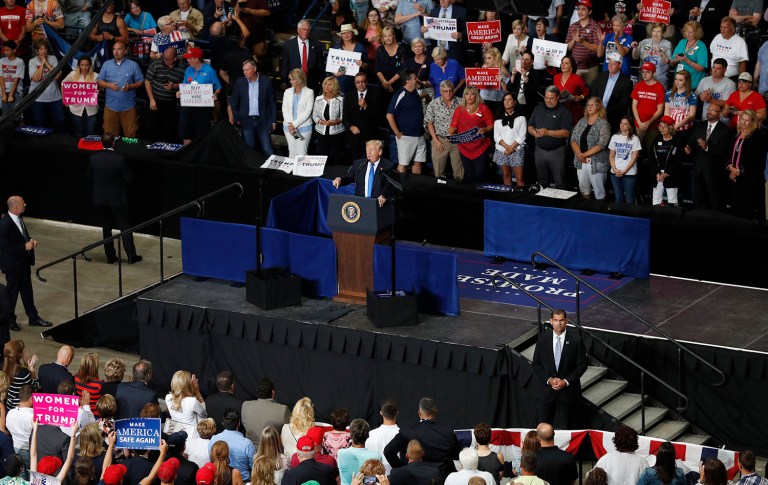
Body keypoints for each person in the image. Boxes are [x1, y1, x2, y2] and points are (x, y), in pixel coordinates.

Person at [87, 132, 142, 265]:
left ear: (101, 143)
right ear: (113, 143)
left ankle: (110, 257)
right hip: (118, 198)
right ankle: (131, 255)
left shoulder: (93, 158)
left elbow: (89, 177)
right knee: (125, 226)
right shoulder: (119, 159)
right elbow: (128, 179)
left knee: (106, 227)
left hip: (100, 199)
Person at [0, 198, 52, 330]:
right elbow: (5, 247)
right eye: (23, 203)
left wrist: (30, 241)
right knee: (12, 294)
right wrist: (24, 247)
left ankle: (33, 317)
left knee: (27, 292)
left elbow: (23, 236)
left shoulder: (19, 218)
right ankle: (9, 320)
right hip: (13, 266)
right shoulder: (5, 223)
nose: (25, 205)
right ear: (16, 207)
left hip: (23, 264)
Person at [383, 397, 461, 482]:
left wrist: (402, 468)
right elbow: (457, 455)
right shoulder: (448, 432)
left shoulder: (407, 432)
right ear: (436, 411)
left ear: (419, 413)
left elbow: (388, 451)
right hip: (441, 480)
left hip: (413, 479)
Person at [531, 310, 586, 427]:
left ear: (566, 321)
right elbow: (536, 363)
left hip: (568, 395)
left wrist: (565, 382)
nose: (559, 323)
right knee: (543, 429)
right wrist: (549, 380)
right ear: (551, 322)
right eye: (556, 320)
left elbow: (582, 365)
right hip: (546, 393)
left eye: (561, 320)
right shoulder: (543, 339)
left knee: (567, 429)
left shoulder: (576, 340)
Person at [685, 103, 732, 211]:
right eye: (708, 109)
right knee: (699, 201)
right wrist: (689, 148)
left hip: (715, 172)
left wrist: (707, 148)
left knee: (715, 202)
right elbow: (691, 140)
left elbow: (724, 152)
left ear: (719, 114)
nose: (709, 112)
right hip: (699, 169)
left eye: (713, 110)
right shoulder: (700, 125)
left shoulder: (725, 131)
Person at [527, 86, 573, 190]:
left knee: (560, 181)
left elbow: (566, 133)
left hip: (557, 152)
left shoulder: (564, 111)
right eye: (546, 97)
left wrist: (547, 132)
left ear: (558, 97)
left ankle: (560, 205)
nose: (548, 100)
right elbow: (530, 126)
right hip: (539, 150)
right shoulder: (538, 108)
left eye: (551, 98)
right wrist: (534, 132)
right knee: (541, 181)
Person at [229, 58, 276, 155]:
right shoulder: (240, 82)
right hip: (247, 121)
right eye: (243, 70)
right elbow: (233, 101)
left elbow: (272, 102)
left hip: (263, 120)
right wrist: (237, 117)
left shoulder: (266, 82)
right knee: (250, 149)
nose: (244, 72)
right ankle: (254, 169)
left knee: (267, 148)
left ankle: (272, 169)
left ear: (254, 69)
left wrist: (273, 120)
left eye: (247, 69)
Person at [97, 41, 144, 138]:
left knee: (131, 136)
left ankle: (129, 153)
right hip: (110, 107)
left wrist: (130, 86)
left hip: (128, 107)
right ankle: (111, 153)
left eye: (119, 49)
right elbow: (99, 81)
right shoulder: (106, 64)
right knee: (109, 136)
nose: (116, 52)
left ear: (125, 51)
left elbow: (141, 81)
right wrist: (109, 85)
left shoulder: (133, 65)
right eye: (114, 49)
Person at [448, 86, 493, 184]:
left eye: (472, 94)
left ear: (476, 96)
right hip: (464, 147)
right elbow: (453, 126)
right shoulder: (459, 109)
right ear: (464, 96)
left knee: (480, 173)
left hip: (481, 146)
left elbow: (491, 125)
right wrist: (449, 135)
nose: (469, 96)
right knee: (469, 174)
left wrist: (484, 129)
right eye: (467, 94)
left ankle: (483, 195)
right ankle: (472, 196)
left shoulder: (484, 108)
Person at [727, 109, 767, 220]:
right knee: (736, 206)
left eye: (747, 120)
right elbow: (728, 152)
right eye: (742, 120)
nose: (744, 123)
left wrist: (737, 171)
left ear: (753, 121)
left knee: (746, 208)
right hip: (734, 175)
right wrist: (730, 167)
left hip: (749, 177)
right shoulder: (736, 133)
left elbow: (753, 158)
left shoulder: (757, 136)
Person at [177, 47, 221, 145]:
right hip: (188, 106)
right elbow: (184, 86)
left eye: (189, 58)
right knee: (186, 132)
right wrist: (180, 92)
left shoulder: (209, 71)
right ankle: (185, 155)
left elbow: (218, 87)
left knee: (201, 133)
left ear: (196, 59)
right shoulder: (188, 69)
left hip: (202, 107)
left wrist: (215, 94)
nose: (187, 60)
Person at [333, 139, 396, 206]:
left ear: (379, 152)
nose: (368, 153)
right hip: (360, 204)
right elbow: (349, 176)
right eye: (367, 150)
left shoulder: (388, 166)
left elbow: (390, 185)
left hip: (378, 205)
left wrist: (384, 195)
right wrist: (339, 179)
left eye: (371, 150)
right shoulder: (359, 164)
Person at [571, 97, 611, 200]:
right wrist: (579, 154)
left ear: (598, 106)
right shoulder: (582, 121)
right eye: (588, 105)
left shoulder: (603, 123)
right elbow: (573, 139)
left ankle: (600, 212)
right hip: (581, 161)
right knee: (583, 189)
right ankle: (586, 210)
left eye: (592, 105)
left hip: (596, 163)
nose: (589, 107)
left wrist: (584, 155)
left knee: (599, 191)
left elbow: (602, 144)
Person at [387, 70, 427, 174]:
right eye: (414, 78)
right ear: (408, 81)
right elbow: (389, 115)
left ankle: (415, 186)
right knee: (403, 163)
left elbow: (415, 100)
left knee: (418, 162)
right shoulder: (400, 94)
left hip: (420, 134)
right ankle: (400, 187)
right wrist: (397, 133)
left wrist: (426, 96)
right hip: (406, 136)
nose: (417, 80)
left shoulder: (414, 92)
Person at [144, 46, 185, 143]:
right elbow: (147, 81)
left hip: (170, 103)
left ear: (175, 58)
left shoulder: (182, 69)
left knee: (168, 130)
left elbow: (185, 85)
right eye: (164, 57)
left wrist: (174, 86)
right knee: (151, 127)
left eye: (168, 59)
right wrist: (151, 100)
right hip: (155, 100)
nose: (164, 60)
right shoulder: (156, 64)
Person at [425, 80, 463, 180]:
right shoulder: (434, 104)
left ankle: (459, 192)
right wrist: (436, 140)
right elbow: (429, 123)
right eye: (445, 91)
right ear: (441, 91)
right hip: (440, 140)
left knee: (459, 172)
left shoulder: (461, 102)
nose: (448, 93)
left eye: (450, 90)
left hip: (456, 140)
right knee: (439, 172)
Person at [27, 39, 66, 133]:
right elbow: (36, 78)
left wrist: (47, 63)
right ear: (36, 51)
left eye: (45, 48)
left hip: (54, 97)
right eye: (41, 49)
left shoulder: (53, 58)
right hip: (38, 98)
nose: (43, 51)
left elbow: (57, 75)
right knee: (40, 122)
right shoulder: (32, 61)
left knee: (61, 120)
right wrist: (42, 64)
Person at [240, 378, 290, 449]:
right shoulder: (282, 410)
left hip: (251, 453)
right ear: (273, 392)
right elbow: (289, 432)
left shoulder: (245, 405)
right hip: (273, 454)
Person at [343, 72, 382, 160]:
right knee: (356, 161)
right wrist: (351, 127)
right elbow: (345, 116)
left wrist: (366, 106)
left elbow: (379, 115)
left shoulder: (376, 94)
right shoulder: (349, 96)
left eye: (362, 81)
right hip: (354, 136)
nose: (360, 84)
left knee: (371, 161)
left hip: (370, 135)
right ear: (355, 83)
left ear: (367, 82)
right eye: (358, 82)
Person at [208, 408, 255, 482]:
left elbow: (211, 459)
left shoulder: (214, 439)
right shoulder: (247, 443)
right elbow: (254, 466)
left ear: (223, 423)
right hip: (243, 480)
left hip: (219, 480)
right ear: (239, 423)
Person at [591, 53, 633, 133]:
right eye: (609, 63)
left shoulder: (626, 82)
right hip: (597, 114)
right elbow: (594, 94)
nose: (610, 66)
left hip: (613, 118)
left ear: (619, 65)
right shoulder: (601, 76)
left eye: (613, 64)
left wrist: (605, 112)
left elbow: (623, 104)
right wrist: (597, 109)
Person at [280, 20, 325, 93]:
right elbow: (285, 64)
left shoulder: (317, 45)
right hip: (293, 82)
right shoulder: (288, 45)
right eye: (304, 29)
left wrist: (322, 82)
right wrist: (284, 81)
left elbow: (320, 65)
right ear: (298, 30)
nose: (306, 32)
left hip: (311, 83)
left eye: (308, 30)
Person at [492, 92, 526, 188]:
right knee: (506, 176)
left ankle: (520, 199)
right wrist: (507, 148)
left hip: (517, 150)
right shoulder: (498, 116)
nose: (507, 102)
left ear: (515, 102)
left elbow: (522, 136)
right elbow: (496, 136)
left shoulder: (521, 117)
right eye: (505, 100)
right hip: (502, 150)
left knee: (519, 178)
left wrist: (512, 148)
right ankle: (508, 198)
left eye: (510, 100)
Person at [631, 61, 666, 153]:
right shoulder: (638, 85)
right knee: (636, 151)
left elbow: (660, 110)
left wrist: (649, 122)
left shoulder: (659, 88)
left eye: (648, 72)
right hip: (638, 124)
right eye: (643, 72)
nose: (644, 74)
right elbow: (634, 106)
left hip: (653, 125)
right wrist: (639, 122)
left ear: (654, 73)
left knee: (652, 151)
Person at [650, 116, 685, 206]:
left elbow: (678, 161)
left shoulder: (677, 142)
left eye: (665, 126)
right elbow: (652, 158)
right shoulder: (656, 140)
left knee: (672, 201)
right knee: (656, 201)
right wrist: (657, 173)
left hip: (671, 175)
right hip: (657, 175)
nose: (662, 128)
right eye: (660, 126)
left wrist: (667, 173)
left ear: (670, 128)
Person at [565, 0, 601, 86]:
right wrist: (574, 39)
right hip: (575, 68)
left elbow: (597, 48)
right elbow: (568, 48)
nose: (580, 12)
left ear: (590, 11)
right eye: (578, 9)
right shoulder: (573, 26)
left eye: (583, 9)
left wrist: (582, 41)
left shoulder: (595, 26)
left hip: (591, 68)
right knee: (575, 95)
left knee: (590, 94)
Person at [312, 76, 346, 166]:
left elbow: (344, 116)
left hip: (337, 132)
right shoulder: (318, 99)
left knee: (337, 155)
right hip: (321, 131)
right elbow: (314, 115)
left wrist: (336, 122)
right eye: (325, 84)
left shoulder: (340, 100)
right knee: (323, 155)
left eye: (330, 85)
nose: (327, 86)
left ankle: (337, 176)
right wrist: (322, 122)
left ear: (335, 86)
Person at [63, 55, 98, 137]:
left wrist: (98, 90)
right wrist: (64, 99)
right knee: (79, 133)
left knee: (90, 133)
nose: (84, 67)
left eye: (87, 65)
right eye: (82, 65)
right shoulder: (72, 74)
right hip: (76, 109)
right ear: (79, 65)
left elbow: (101, 87)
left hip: (91, 109)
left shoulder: (96, 75)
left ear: (90, 65)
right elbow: (63, 84)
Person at [609, 115, 642, 204]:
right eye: (621, 123)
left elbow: (634, 158)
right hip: (615, 172)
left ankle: (630, 217)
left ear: (630, 126)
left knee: (629, 199)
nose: (622, 125)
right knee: (618, 198)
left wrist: (624, 171)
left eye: (625, 124)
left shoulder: (635, 139)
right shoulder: (614, 137)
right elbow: (611, 155)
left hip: (629, 173)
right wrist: (615, 169)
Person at [282, 68, 314, 158]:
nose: (291, 82)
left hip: (304, 128)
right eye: (290, 79)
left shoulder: (309, 92)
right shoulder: (287, 92)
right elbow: (285, 110)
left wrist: (294, 124)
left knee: (301, 153)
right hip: (288, 127)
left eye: (293, 79)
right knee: (292, 152)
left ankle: (300, 172)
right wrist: (291, 126)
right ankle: (292, 172)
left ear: (300, 79)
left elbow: (308, 112)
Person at [337, 420, 381, 485]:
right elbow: (375, 480)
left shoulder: (341, 453)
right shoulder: (376, 456)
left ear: (351, 435)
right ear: (367, 436)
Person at [165, 370, 207, 438]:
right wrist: (197, 392)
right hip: (192, 437)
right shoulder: (192, 401)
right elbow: (204, 414)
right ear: (188, 385)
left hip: (176, 434)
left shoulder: (168, 397)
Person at [631, 23, 672, 89]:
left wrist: (661, 52)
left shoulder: (667, 44)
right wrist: (635, 48)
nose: (655, 34)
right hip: (644, 77)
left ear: (663, 33)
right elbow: (635, 57)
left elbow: (667, 62)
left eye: (658, 32)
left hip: (659, 78)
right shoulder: (644, 42)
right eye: (654, 31)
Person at [696, 58, 736, 124]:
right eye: (714, 67)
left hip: (721, 121)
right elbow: (696, 96)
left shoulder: (730, 84)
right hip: (705, 118)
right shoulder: (704, 80)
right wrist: (702, 97)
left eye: (718, 68)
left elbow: (728, 105)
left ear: (724, 70)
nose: (715, 70)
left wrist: (710, 100)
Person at [670, 20, 708, 90]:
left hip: (693, 83)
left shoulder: (701, 45)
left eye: (690, 32)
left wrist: (687, 61)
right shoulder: (682, 42)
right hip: (678, 83)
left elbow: (701, 68)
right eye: (686, 32)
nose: (687, 34)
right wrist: (675, 60)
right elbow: (671, 63)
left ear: (696, 32)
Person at [364, 400, 399, 475]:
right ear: (397, 412)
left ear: (381, 413)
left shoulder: (371, 434)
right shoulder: (403, 434)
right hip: (397, 477)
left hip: (376, 477)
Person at [553, 55, 588, 126]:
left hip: (573, 111)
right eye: (562, 63)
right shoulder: (556, 77)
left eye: (566, 63)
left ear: (572, 66)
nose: (563, 65)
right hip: (559, 110)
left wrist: (579, 97)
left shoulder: (577, 78)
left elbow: (586, 92)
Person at [709, 17, 747, 81]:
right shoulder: (717, 37)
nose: (722, 30)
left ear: (733, 29)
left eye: (725, 28)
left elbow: (742, 64)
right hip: (714, 76)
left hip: (731, 78)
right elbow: (712, 56)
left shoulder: (740, 42)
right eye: (721, 27)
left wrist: (741, 81)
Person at [1, 41, 24, 120]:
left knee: (18, 117)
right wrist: (4, 94)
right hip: (4, 91)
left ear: (14, 50)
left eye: (8, 50)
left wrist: (11, 95)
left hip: (16, 91)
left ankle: (20, 131)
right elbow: (1, 78)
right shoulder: (1, 61)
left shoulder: (19, 61)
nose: (5, 52)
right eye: (4, 50)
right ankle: (9, 132)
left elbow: (17, 79)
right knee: (6, 117)